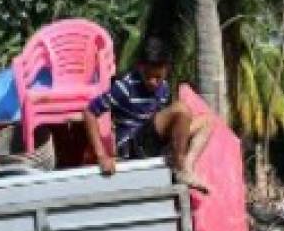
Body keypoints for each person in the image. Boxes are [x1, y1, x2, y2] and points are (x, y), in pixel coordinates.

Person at [83, 37, 213, 192]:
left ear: (166, 69)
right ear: (140, 67)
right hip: (132, 147)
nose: (153, 82)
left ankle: (187, 167)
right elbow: (89, 112)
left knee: (207, 121)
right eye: (148, 76)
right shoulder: (124, 87)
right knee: (181, 109)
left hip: (153, 142)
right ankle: (181, 166)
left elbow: (163, 125)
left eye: (158, 77)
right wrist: (101, 155)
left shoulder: (164, 88)